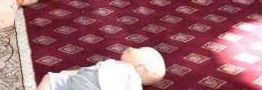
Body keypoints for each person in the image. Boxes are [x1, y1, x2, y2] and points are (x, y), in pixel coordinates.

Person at [36, 47, 166, 90]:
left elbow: (91, 70)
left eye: (139, 49)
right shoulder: (135, 85)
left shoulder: (118, 65)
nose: (132, 48)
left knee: (48, 79)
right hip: (83, 83)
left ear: (144, 67)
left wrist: (71, 73)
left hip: (81, 82)